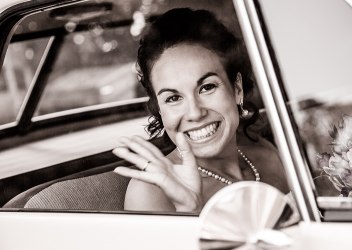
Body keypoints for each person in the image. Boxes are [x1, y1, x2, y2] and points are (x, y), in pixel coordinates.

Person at [113, 8, 289, 213]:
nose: (195, 113)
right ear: (160, 110)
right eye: (173, 98)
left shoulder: (267, 154)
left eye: (207, 88)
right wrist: (190, 210)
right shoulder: (150, 191)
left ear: (237, 89)